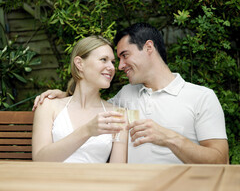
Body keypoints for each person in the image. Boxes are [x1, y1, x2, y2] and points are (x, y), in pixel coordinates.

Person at [33, 23, 229, 164]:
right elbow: (88, 104)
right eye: (111, 60)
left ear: (149, 47)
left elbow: (221, 161)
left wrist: (170, 138)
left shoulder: (201, 97)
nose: (119, 67)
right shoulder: (126, 97)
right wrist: (63, 94)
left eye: (124, 56)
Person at [32, 35, 128, 163]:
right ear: (79, 64)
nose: (111, 67)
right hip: (54, 181)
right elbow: (40, 160)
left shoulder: (118, 115)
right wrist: (87, 131)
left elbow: (117, 170)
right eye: (103, 59)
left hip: (95, 182)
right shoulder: (48, 106)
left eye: (112, 62)